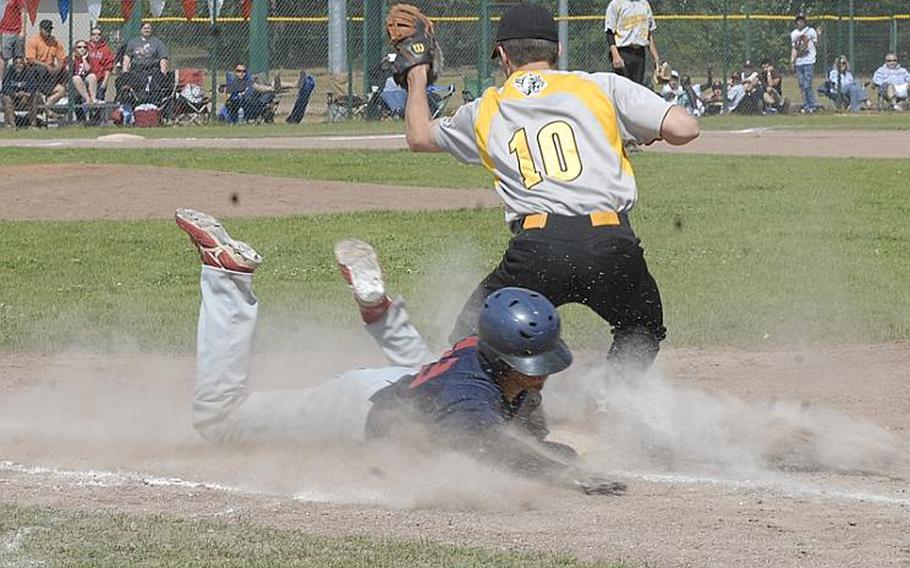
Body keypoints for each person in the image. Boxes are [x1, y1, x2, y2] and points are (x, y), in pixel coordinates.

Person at [174, 207, 626, 496]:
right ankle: (226, 277)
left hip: (415, 386)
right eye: (529, 367)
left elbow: (521, 427)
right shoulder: (469, 401)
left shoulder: (487, 353)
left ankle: (380, 311)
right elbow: (495, 452)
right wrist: (566, 471)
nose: (540, 376)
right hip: (355, 408)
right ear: (500, 359)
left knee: (429, 369)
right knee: (218, 418)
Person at [401, 3, 699, 377]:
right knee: (641, 324)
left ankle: (508, 408)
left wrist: (416, 74)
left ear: (505, 57)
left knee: (470, 337)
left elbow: (419, 136)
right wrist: (651, 131)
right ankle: (618, 402)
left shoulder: (486, 109)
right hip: (611, 243)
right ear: (556, 51)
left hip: (537, 250)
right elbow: (685, 128)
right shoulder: (599, 87)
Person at [604, 0, 659, 86]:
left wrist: (656, 58)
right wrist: (615, 56)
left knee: (637, 88)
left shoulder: (644, 4)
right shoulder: (616, 4)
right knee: (622, 88)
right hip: (623, 52)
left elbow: (649, 34)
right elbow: (609, 32)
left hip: (640, 53)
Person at [117, 22, 170, 106]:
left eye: (148, 28)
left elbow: (163, 58)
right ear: (140, 30)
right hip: (136, 70)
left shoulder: (157, 42)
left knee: (155, 83)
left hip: (152, 70)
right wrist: (125, 71)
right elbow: (127, 57)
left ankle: (153, 105)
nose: (147, 30)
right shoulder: (133, 42)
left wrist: (163, 72)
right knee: (123, 81)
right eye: (145, 28)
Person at [25, 19, 67, 110]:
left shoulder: (55, 42)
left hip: (50, 73)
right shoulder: (33, 41)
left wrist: (58, 68)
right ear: (40, 29)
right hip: (37, 72)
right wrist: (46, 66)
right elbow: (30, 59)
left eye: (50, 29)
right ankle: (39, 93)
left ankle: (46, 106)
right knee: (40, 69)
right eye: (46, 29)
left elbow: (62, 59)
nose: (48, 32)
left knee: (62, 85)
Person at [790, 13, 820, 113]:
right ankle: (807, 105)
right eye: (798, 20)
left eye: (802, 20)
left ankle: (811, 105)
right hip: (799, 62)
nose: (800, 22)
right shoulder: (794, 33)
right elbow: (794, 48)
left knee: (807, 85)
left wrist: (818, 35)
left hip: (808, 60)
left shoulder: (810, 31)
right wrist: (792, 61)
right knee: (802, 85)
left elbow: (816, 44)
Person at [1, 54, 37, 128]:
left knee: (35, 96)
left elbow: (33, 87)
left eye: (20, 63)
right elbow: (5, 88)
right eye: (16, 63)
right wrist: (15, 94)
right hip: (12, 97)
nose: (18, 65)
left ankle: (33, 124)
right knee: (6, 98)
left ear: (23, 64)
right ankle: (12, 125)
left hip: (25, 98)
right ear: (13, 65)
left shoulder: (28, 72)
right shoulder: (9, 72)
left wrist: (26, 94)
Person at [0, 0, 27, 88]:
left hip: (17, 31)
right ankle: (1, 82)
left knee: (19, 58)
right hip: (5, 31)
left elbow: (23, 12)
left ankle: (19, 81)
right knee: (4, 58)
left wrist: (23, 30)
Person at [85, 28, 115, 102]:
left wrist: (105, 81)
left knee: (99, 101)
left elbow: (108, 67)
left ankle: (97, 113)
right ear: (91, 36)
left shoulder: (105, 49)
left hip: (99, 79)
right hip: (86, 78)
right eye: (94, 34)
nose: (96, 36)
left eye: (99, 34)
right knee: (85, 100)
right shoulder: (86, 47)